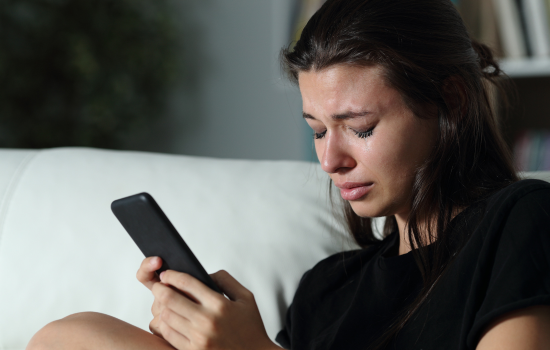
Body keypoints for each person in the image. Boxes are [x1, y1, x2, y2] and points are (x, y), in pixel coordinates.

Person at [26, 0, 550, 349]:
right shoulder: (327, 289)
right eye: (318, 131)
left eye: (360, 128)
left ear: (449, 99)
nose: (330, 161)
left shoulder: (520, 221)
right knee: (71, 335)